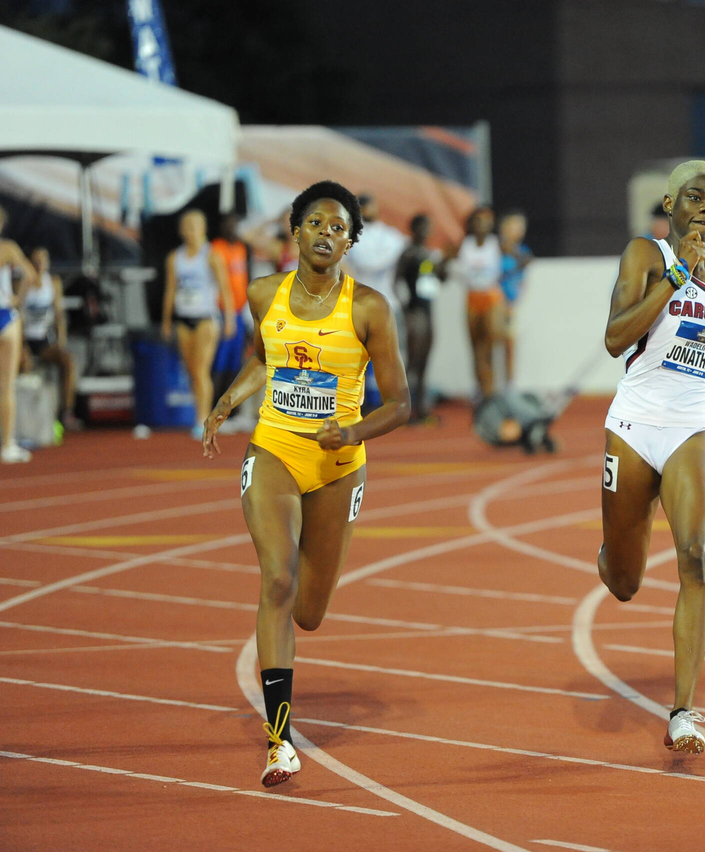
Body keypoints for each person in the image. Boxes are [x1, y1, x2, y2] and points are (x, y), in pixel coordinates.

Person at [201, 180, 410, 787]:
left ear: (350, 242)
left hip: (340, 464)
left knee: (311, 612)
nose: (326, 233)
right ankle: (279, 740)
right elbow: (265, 357)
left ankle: (289, 666)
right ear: (294, 231)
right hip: (275, 447)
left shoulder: (369, 307)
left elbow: (399, 404)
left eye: (338, 227)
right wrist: (226, 403)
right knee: (278, 578)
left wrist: (351, 433)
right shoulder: (264, 293)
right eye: (315, 222)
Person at [598, 160, 705, 754]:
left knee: (697, 555)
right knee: (625, 582)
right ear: (670, 204)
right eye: (696, 197)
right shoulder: (646, 256)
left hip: (693, 425)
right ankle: (613, 551)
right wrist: (675, 277)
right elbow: (616, 339)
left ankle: (684, 710)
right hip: (635, 426)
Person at [162, 209, 236, 439]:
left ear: (203, 229)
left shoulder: (211, 255)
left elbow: (225, 287)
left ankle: (203, 418)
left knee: (202, 369)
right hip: (184, 318)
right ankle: (199, 413)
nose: (190, 231)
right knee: (191, 370)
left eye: (194, 226)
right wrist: (166, 321)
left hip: (206, 318)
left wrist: (229, 318)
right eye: (187, 226)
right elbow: (171, 289)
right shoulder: (175, 258)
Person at [21, 247, 81, 429]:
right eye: (36, 260)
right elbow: (17, 310)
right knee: (23, 365)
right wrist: (21, 346)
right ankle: (25, 419)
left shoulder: (53, 283)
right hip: (25, 340)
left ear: (47, 263)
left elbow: (59, 314)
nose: (39, 264)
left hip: (42, 341)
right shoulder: (24, 283)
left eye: (43, 260)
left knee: (68, 360)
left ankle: (66, 412)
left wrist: (61, 338)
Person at [449, 205, 503, 399]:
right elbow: (446, 259)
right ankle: (480, 387)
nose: (482, 225)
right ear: (472, 224)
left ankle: (491, 386)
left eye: (487, 221)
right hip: (472, 297)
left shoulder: (496, 243)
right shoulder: (465, 244)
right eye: (478, 221)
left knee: (489, 345)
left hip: (491, 297)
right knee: (475, 346)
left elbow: (522, 257)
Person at [395, 214, 442, 422]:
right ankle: (402, 409)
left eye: (428, 227)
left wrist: (444, 265)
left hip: (428, 310)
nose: (426, 232)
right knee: (412, 362)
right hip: (414, 311)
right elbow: (396, 282)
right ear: (413, 230)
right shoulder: (408, 254)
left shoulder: (430, 255)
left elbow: (439, 279)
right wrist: (406, 309)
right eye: (423, 227)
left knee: (424, 361)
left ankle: (422, 408)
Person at [210, 214, 255, 432]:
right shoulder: (216, 248)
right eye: (229, 225)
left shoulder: (241, 248)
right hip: (221, 311)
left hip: (240, 310)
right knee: (218, 363)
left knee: (236, 364)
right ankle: (214, 411)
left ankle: (233, 412)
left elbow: (246, 277)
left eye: (236, 225)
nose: (233, 229)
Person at [0, 206, 37, 463]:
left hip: (7, 315)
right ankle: (7, 445)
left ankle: (8, 444)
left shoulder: (8, 248)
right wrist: (17, 299)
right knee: (6, 386)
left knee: (7, 385)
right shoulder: (8, 248)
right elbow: (31, 275)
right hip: (6, 315)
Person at [498, 209, 533, 389]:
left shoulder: (523, 252)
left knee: (510, 344)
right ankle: (486, 385)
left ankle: (509, 384)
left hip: (511, 305)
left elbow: (522, 281)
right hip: (494, 303)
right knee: (489, 345)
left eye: (521, 227)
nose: (519, 231)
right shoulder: (496, 250)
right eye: (515, 226)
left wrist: (514, 301)